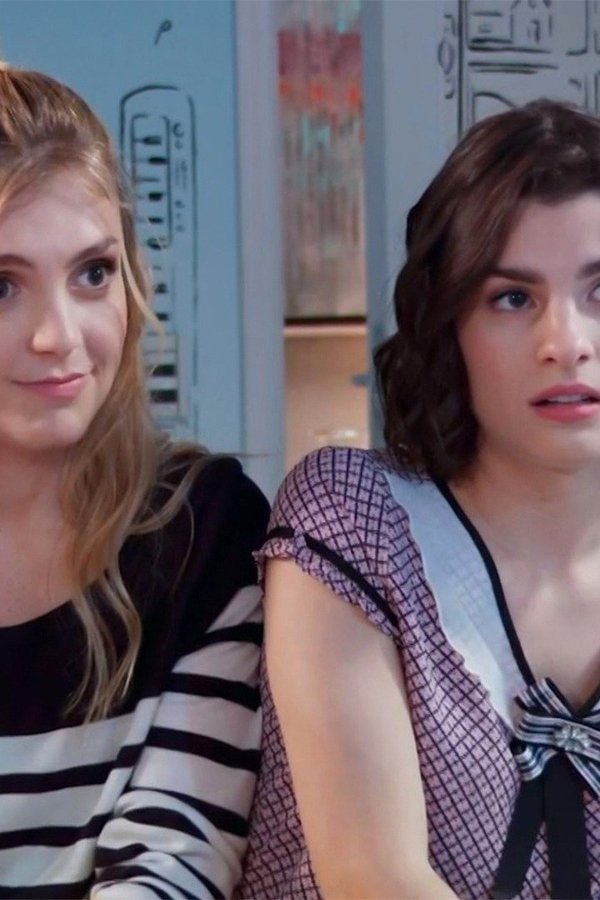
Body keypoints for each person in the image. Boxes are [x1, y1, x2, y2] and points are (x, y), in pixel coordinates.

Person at [237, 98, 600, 900]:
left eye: (599, 289)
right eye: (513, 298)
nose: (567, 342)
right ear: (449, 323)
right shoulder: (356, 518)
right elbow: (374, 878)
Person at [0, 63, 269, 898]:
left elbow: (174, 862)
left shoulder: (201, 530)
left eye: (93, 273)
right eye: (2, 286)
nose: (58, 335)